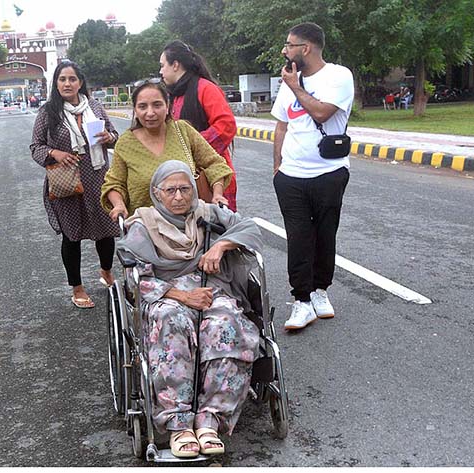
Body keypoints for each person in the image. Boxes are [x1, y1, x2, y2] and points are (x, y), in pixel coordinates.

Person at [118, 160, 262, 458]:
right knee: (170, 321)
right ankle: (179, 424)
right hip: (165, 294)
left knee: (226, 323)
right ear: (157, 193)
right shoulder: (143, 224)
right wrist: (183, 297)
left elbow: (249, 227)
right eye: (170, 190)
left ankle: (211, 420)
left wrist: (221, 245)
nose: (179, 196)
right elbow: (136, 280)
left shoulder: (208, 213)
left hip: (212, 287)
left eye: (185, 189)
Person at [271, 22, 354, 331]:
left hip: (329, 173)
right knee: (298, 237)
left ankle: (320, 291)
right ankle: (302, 301)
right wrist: (277, 168)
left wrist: (295, 86)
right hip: (291, 177)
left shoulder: (338, 76)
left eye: (289, 45)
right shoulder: (291, 81)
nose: (284, 50)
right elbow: (282, 124)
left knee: (324, 233)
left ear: (305, 48)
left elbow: (321, 112)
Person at [30, 61, 120, 309]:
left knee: (105, 229)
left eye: (72, 79)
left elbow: (115, 138)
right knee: (72, 236)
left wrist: (109, 138)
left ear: (80, 82)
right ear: (56, 84)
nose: (67, 84)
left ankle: (106, 272)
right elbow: (35, 147)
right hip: (66, 183)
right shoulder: (48, 112)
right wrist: (55, 153)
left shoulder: (95, 107)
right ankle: (77, 288)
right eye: (62, 79)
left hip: (98, 178)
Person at [101, 79, 233, 221]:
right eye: (142, 106)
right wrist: (119, 204)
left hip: (190, 226)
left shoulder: (183, 131)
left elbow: (215, 164)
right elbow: (114, 183)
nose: (150, 113)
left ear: (167, 106)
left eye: (157, 105)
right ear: (135, 110)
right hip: (146, 228)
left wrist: (217, 194)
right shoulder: (126, 143)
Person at [159, 40, 239, 211]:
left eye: (162, 65)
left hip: (212, 177)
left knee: (217, 232)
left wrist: (192, 147)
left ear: (175, 65)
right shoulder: (174, 95)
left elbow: (226, 125)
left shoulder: (205, 88)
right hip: (183, 178)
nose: (161, 71)